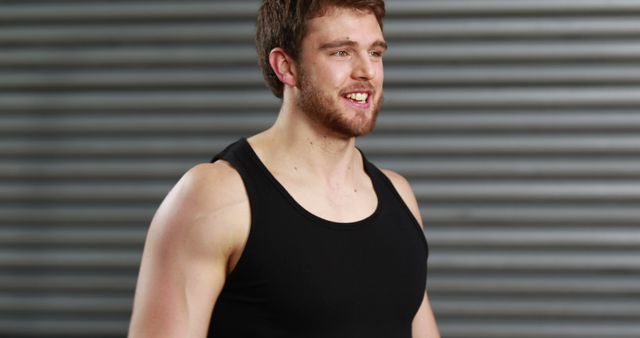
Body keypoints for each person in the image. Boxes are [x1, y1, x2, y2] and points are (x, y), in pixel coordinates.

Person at [128, 0, 440, 337]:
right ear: (285, 66)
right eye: (341, 53)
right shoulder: (215, 196)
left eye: (375, 53)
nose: (366, 71)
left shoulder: (398, 195)